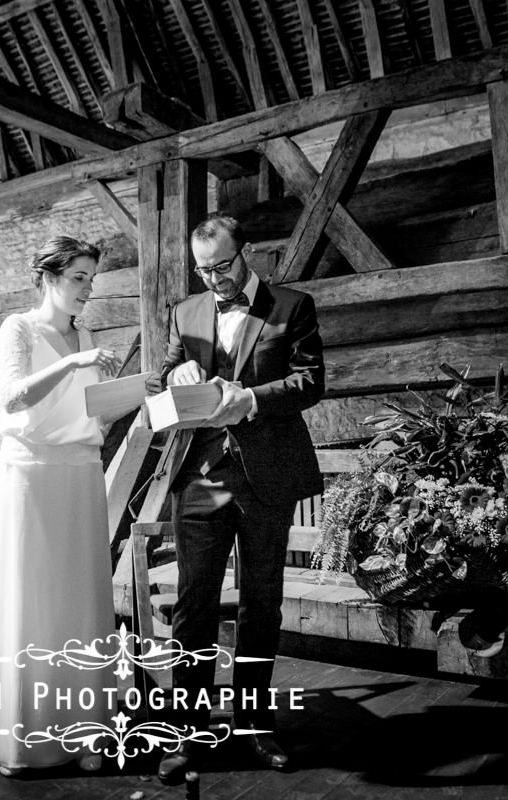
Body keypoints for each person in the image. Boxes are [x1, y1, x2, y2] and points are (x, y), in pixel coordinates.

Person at [154, 215, 325, 780]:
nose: (214, 280)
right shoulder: (186, 311)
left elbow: (310, 382)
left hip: (266, 477)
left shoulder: (291, 306)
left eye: (222, 267)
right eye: (204, 271)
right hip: (200, 477)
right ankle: (188, 729)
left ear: (245, 254)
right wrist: (178, 372)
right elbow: (161, 380)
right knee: (193, 606)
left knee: (261, 604)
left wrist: (249, 398)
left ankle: (252, 723)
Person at [0, 236, 126, 777]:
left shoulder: (88, 334)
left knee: (80, 595)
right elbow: (10, 398)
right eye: (79, 277)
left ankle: (86, 734)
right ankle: (26, 740)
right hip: (31, 472)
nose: (87, 288)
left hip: (80, 472)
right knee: (33, 598)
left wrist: (121, 397)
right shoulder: (19, 328)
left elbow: (84, 409)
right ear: (49, 277)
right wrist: (73, 361)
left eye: (91, 279)